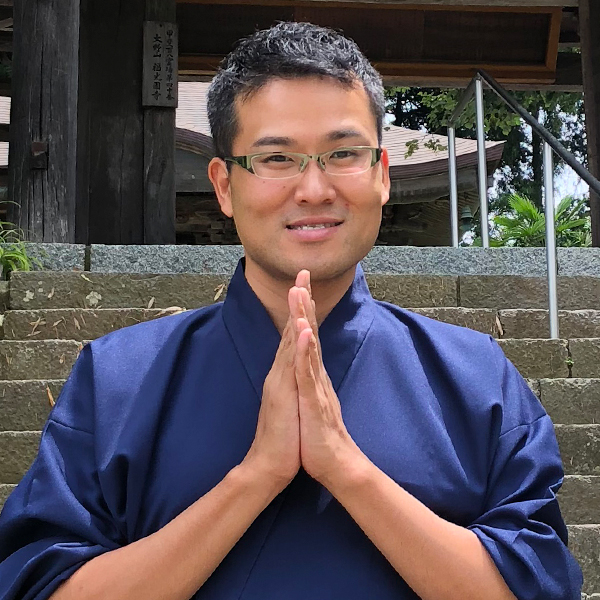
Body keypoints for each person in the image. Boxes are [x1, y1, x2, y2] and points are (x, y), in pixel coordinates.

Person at [0, 21, 582, 600]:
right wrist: (257, 476)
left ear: (381, 174)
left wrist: (347, 470)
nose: (313, 189)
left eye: (344, 153)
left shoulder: (476, 377)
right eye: (276, 158)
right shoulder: (117, 379)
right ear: (224, 185)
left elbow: (537, 587)